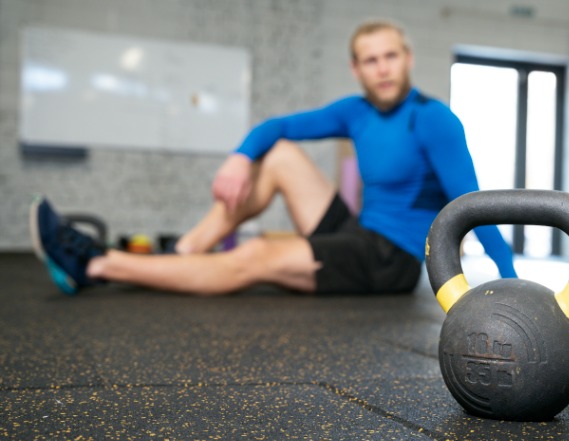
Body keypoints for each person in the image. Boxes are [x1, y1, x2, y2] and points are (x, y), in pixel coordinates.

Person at [30, 19, 517, 296]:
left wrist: (508, 276)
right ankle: (183, 254)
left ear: (407, 59)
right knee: (278, 154)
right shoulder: (356, 112)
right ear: (356, 69)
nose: (382, 69)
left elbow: (470, 201)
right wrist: (240, 157)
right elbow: (278, 128)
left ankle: (95, 264)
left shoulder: (433, 120)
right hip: (357, 232)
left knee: (256, 256)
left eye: (390, 56)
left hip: (391, 261)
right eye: (370, 60)